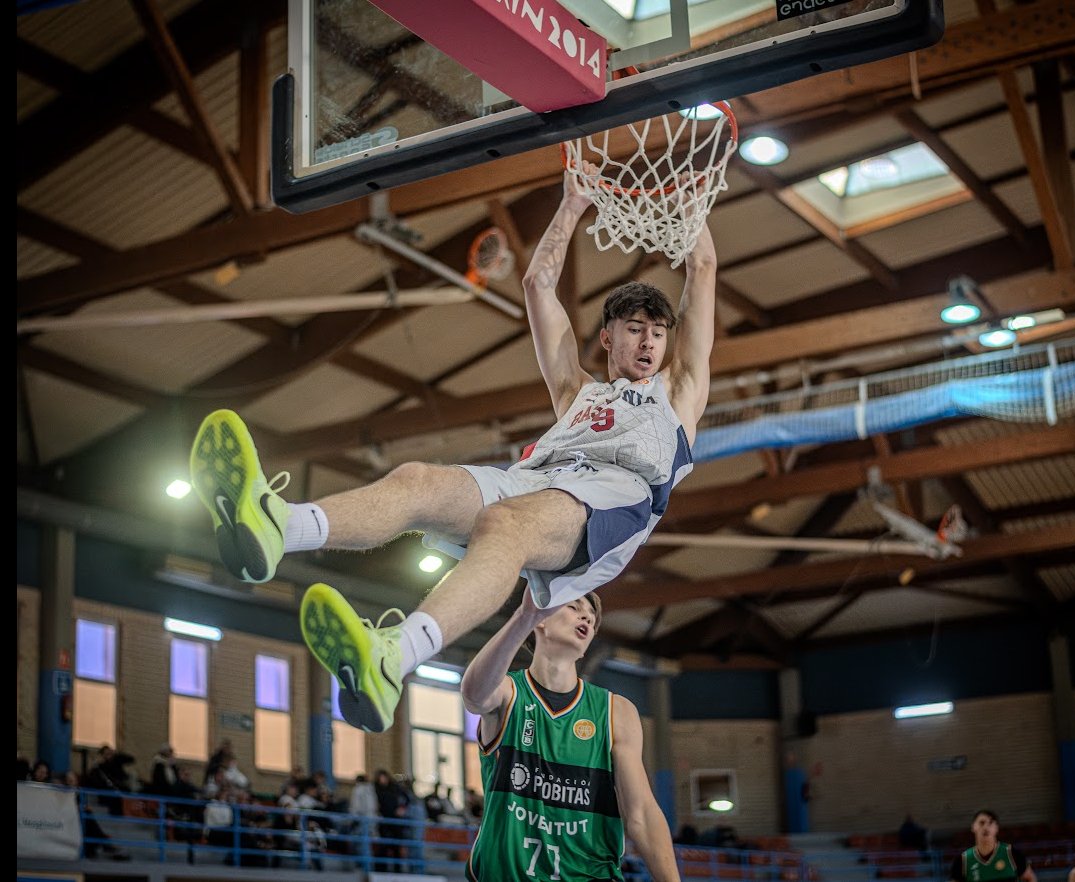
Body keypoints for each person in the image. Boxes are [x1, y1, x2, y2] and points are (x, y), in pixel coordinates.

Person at [188, 170, 717, 734]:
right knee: (418, 480)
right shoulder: (577, 391)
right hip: (539, 479)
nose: (648, 341)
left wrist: (695, 203)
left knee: (503, 525)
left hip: (613, 497)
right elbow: (538, 285)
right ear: (608, 337)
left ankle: (394, 656)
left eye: (657, 332)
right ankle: (277, 526)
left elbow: (704, 268)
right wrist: (570, 204)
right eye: (634, 329)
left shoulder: (678, 390)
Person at [459, 589, 682, 882]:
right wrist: (524, 617)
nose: (586, 617)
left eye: (591, 617)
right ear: (541, 620)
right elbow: (474, 695)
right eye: (574, 607)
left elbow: (641, 813)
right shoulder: (509, 693)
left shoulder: (616, 711)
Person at [949, 809, 1037, 882]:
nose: (986, 827)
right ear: (973, 827)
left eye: (990, 823)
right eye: (982, 823)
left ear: (996, 828)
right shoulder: (963, 860)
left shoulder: (1011, 853)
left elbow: (1030, 878)